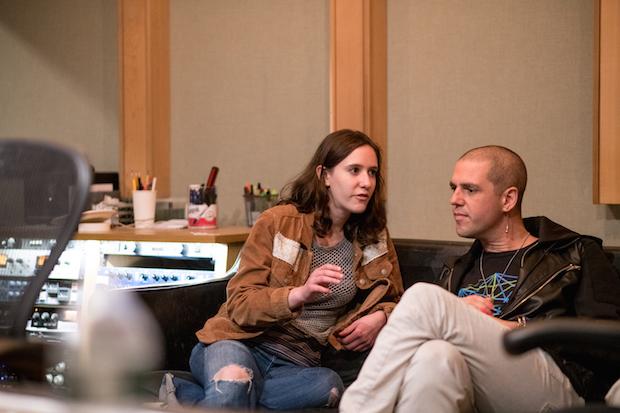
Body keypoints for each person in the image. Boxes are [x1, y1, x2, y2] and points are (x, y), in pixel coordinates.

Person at [340, 145, 620, 413]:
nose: (455, 199)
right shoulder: (457, 269)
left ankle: (359, 408)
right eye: (454, 188)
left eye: (470, 189)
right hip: (479, 390)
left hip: (556, 389)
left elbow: (605, 342)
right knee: (434, 357)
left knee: (423, 297)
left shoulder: (574, 253)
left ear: (507, 199)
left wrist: (502, 325)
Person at [168, 129, 403, 410]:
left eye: (372, 172)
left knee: (330, 387)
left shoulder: (373, 235)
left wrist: (381, 317)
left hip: (296, 364)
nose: (366, 182)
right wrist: (297, 295)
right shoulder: (278, 222)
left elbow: (396, 298)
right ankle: (226, 391)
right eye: (354, 170)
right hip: (239, 342)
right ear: (325, 175)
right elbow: (240, 304)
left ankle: (184, 394)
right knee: (234, 384)